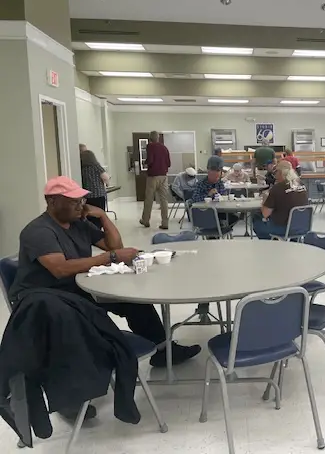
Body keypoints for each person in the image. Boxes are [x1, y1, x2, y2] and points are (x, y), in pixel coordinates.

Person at [9, 177, 200, 417]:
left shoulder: (78, 223)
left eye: (82, 200)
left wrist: (102, 216)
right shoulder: (39, 231)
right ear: (52, 201)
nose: (81, 205)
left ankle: (163, 350)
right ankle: (70, 397)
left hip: (78, 288)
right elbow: (60, 269)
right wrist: (108, 259)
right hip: (46, 298)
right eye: (74, 201)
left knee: (132, 300)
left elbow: (114, 245)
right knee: (76, 328)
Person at [253, 161, 308, 239]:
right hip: (303, 226)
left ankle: (271, 245)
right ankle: (293, 241)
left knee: (257, 219)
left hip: (283, 228)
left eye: (275, 172)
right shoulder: (301, 184)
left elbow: (265, 214)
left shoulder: (277, 188)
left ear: (280, 172)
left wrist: (264, 200)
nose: (275, 176)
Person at [140, 131, 171, 229]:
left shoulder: (150, 146)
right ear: (158, 138)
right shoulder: (164, 148)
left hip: (153, 176)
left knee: (149, 199)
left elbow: (150, 160)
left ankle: (145, 220)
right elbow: (169, 163)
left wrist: (145, 163)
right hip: (164, 176)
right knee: (163, 200)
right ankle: (165, 223)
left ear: (150, 138)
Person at [80, 149, 110, 229]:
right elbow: (105, 177)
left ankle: (92, 230)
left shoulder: (82, 169)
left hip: (88, 197)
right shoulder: (96, 167)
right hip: (99, 195)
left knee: (90, 215)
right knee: (99, 215)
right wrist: (107, 183)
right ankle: (98, 230)